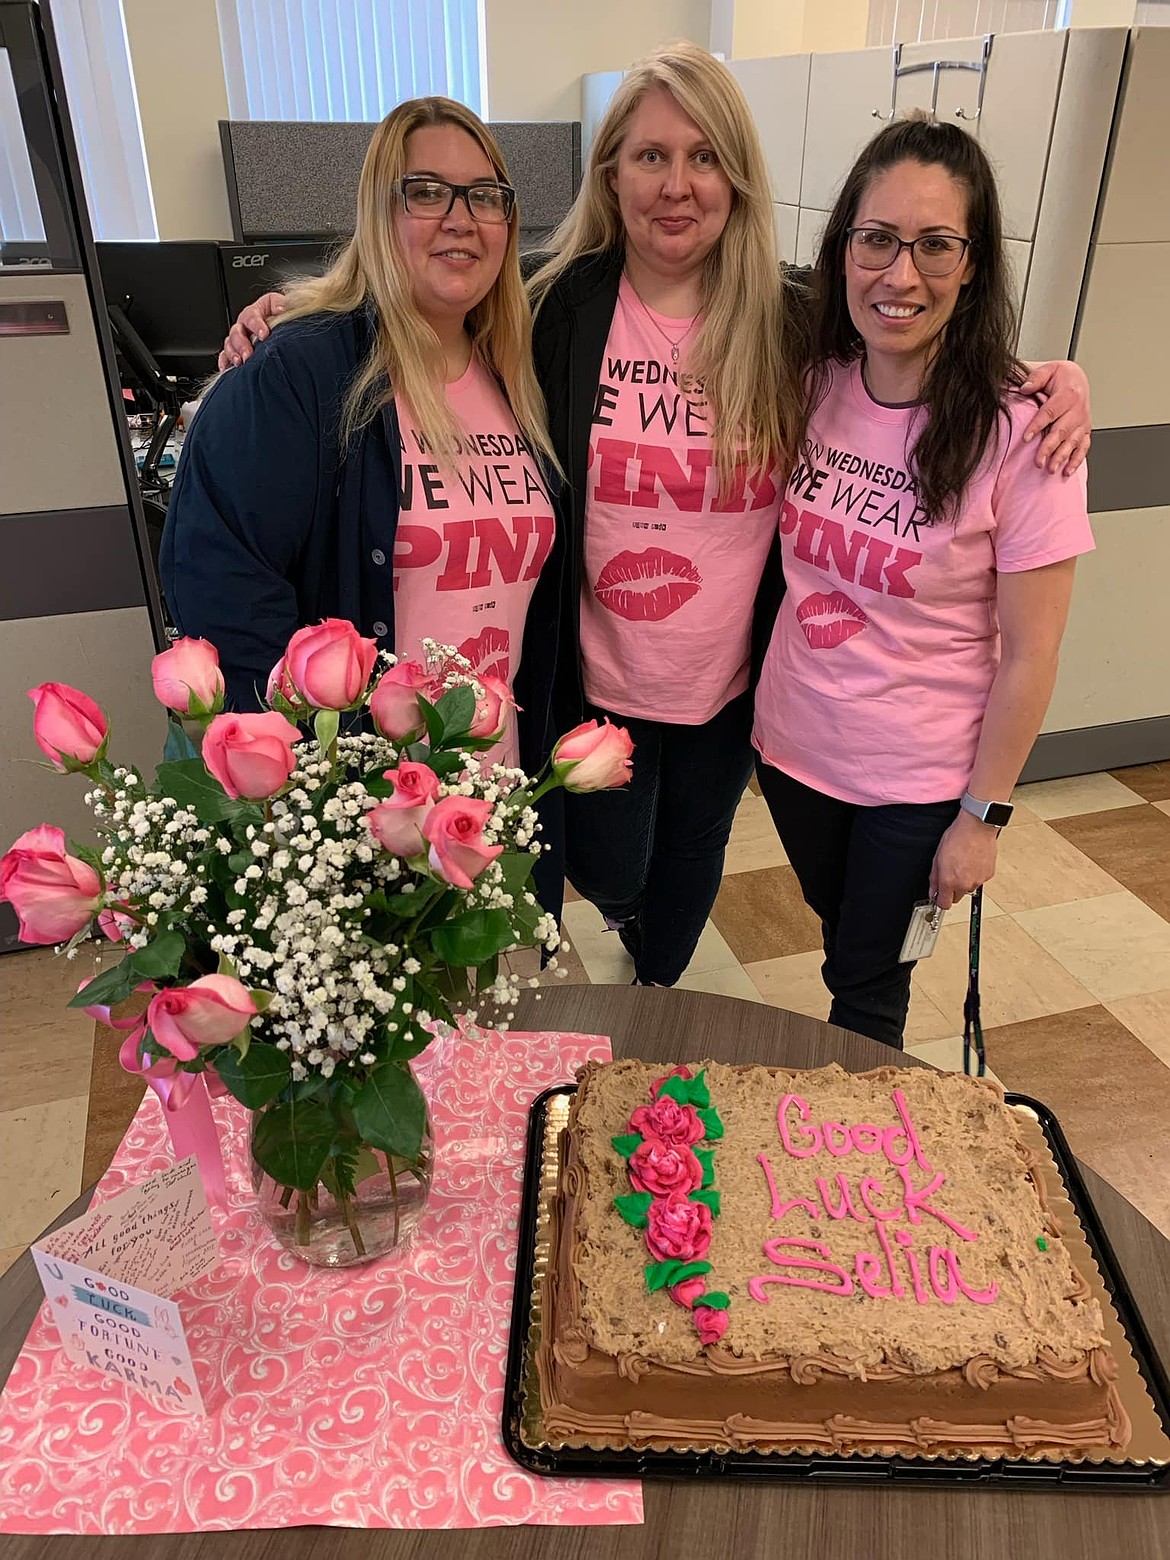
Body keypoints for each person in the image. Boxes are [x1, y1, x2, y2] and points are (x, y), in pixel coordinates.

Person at [217, 44, 1093, 991]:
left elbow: (907, 327)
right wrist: (296, 312)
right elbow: (430, 312)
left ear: (737, 178)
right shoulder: (552, 310)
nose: (678, 185)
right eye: (650, 156)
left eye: (706, 156)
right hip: (593, 673)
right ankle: (627, 918)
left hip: (729, 684)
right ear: (612, 175)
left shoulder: (790, 319)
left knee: (688, 872)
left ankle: (656, 987)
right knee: (608, 865)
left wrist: (1055, 378)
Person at [752, 113, 1095, 1050]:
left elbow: (1033, 653)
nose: (901, 276)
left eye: (936, 245)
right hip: (791, 752)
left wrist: (982, 819)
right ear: (843, 247)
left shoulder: (1024, 437)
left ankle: (859, 1172)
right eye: (876, 240)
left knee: (867, 991)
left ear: (974, 263)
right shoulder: (811, 377)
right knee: (846, 945)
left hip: (915, 782)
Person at [162, 97, 562, 788]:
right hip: (366, 804)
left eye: (485, 197)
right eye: (427, 192)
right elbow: (225, 597)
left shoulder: (520, 374)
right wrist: (321, 787)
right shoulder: (299, 376)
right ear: (379, 213)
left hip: (499, 789)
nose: (460, 218)